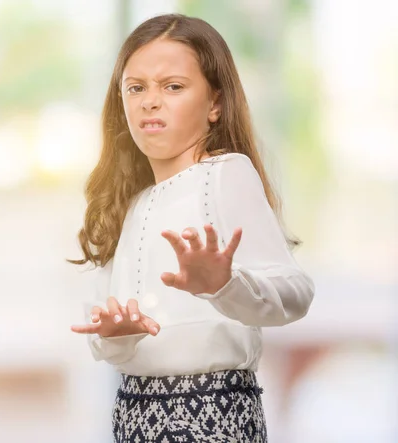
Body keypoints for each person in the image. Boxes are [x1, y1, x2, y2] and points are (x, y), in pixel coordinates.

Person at [68, 13, 314, 443]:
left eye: (173, 87)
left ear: (215, 103)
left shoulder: (225, 174)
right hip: (133, 416)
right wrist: (114, 335)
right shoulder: (127, 206)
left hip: (213, 412)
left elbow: (295, 292)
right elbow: (103, 340)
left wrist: (225, 285)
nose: (149, 101)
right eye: (136, 87)